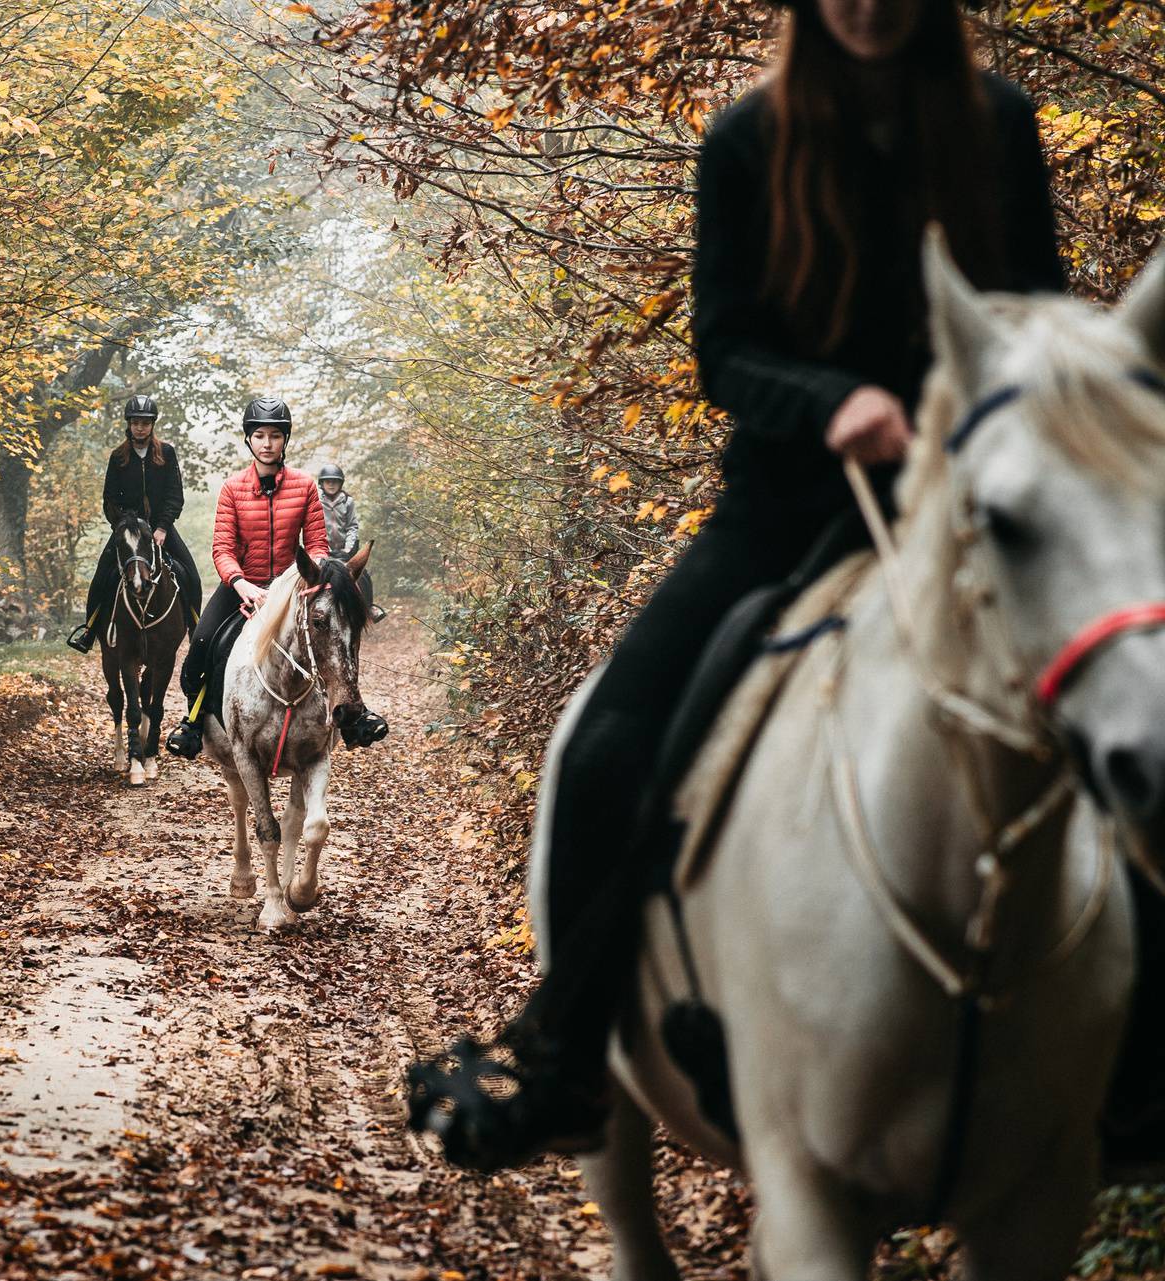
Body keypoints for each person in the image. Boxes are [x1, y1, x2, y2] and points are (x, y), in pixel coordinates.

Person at [409, 0, 1075, 1167]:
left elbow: (1042, 311)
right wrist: (832, 406)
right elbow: (723, 348)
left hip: (979, 509)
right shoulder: (746, 140)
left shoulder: (997, 124)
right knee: (612, 744)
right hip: (785, 512)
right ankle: (565, 1059)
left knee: (1129, 693)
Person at [165, 397, 390, 760]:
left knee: (334, 640)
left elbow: (317, 542)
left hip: (292, 586)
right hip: (243, 585)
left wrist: (309, 575)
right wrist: (242, 584)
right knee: (202, 644)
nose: (267, 443)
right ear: (249, 440)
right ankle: (192, 722)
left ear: (284, 440)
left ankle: (353, 717)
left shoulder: (304, 486)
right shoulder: (232, 488)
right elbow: (222, 548)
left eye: (274, 435)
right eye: (259, 435)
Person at [67, 394, 202, 652]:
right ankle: (89, 631)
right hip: (129, 529)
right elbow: (109, 498)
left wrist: (162, 526)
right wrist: (122, 525)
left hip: (161, 528)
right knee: (101, 577)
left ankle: (196, 631)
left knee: (191, 576)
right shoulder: (118, 456)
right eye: (136, 422)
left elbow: (175, 495)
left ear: (152, 424)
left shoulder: (167, 453)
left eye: (145, 422)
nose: (140, 427)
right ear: (128, 424)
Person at [316, 462, 384, 621]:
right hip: (324, 550)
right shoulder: (317, 502)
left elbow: (352, 526)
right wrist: (322, 548)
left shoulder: (347, 501)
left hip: (345, 549)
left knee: (364, 575)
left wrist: (348, 548)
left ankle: (369, 607)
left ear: (341, 483)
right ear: (322, 484)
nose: (331, 484)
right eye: (328, 481)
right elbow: (315, 526)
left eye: (335, 481)